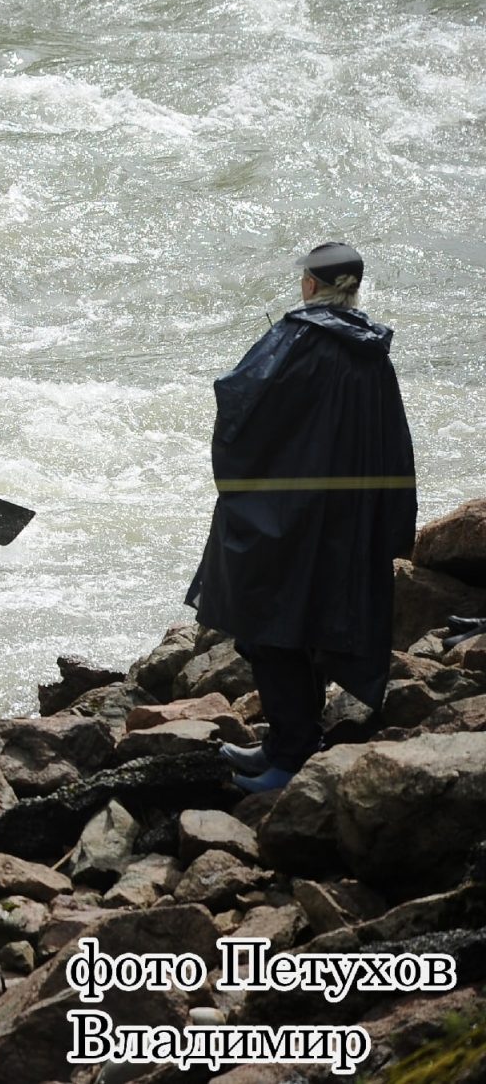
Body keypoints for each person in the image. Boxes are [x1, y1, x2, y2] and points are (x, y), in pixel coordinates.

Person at [188, 242, 417, 794]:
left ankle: (289, 758)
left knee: (271, 627)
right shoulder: (370, 351)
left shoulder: (295, 338)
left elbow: (238, 400)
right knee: (306, 623)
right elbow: (392, 442)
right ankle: (285, 743)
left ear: (311, 284)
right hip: (344, 515)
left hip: (288, 511)